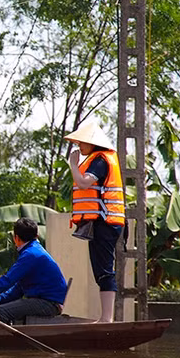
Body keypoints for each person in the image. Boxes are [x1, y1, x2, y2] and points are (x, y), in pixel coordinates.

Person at [65, 120, 125, 323]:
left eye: (82, 142)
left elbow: (83, 183)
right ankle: (104, 317)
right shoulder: (95, 159)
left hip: (106, 221)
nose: (79, 146)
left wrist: (72, 164)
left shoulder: (100, 161)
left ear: (93, 143)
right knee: (99, 270)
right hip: (99, 222)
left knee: (105, 270)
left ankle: (107, 319)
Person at [0, 217, 68, 325]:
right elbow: (19, 287)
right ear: (36, 236)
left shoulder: (31, 254)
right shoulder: (34, 250)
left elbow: (7, 280)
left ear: (16, 238)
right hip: (46, 302)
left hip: (49, 304)